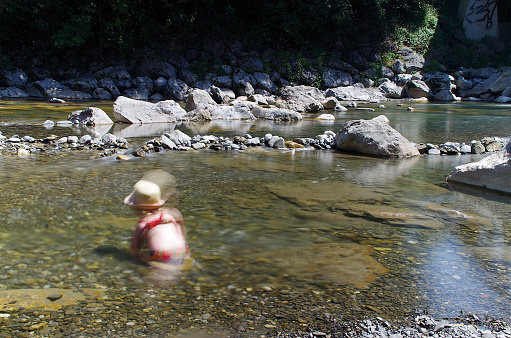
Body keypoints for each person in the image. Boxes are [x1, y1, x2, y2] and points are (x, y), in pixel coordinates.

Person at [124, 172, 190, 268]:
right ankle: (185, 262)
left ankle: (159, 269)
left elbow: (135, 249)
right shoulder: (173, 212)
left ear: (135, 208)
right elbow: (182, 234)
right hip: (181, 250)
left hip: (161, 254)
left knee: (143, 260)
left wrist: (135, 260)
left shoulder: (142, 224)